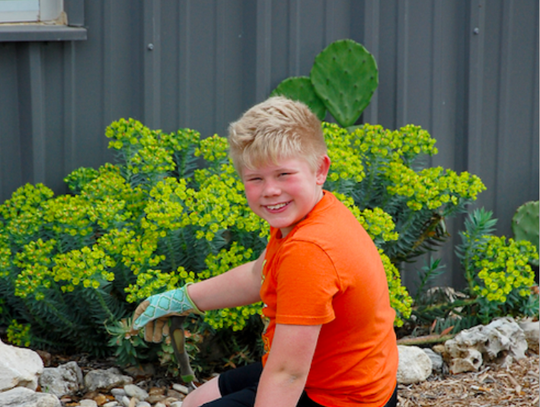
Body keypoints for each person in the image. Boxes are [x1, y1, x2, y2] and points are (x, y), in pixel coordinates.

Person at [131, 96, 398, 407]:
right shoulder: (310, 214)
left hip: (339, 398)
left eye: (283, 174)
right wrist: (182, 299)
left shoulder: (309, 250)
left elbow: (286, 375)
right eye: (255, 179)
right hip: (333, 374)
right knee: (194, 402)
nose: (271, 190)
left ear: (319, 169)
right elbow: (258, 275)